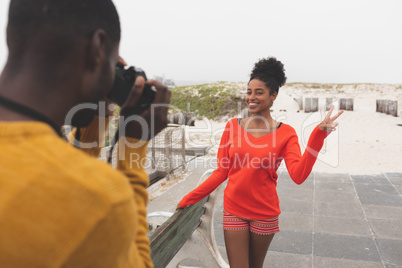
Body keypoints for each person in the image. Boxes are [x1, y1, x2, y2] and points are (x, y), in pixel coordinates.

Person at [0, 0, 170, 267]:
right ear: (97, 47)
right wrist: (133, 146)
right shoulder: (98, 199)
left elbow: (50, 160)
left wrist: (98, 114)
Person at [177, 57, 343, 268]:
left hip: (264, 214)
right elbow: (221, 173)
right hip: (234, 210)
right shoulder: (232, 127)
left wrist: (317, 136)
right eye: (249, 92)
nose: (251, 97)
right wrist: (187, 200)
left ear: (273, 95)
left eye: (259, 92)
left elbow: (298, 175)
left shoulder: (286, 133)